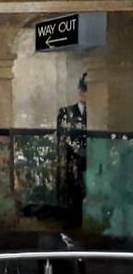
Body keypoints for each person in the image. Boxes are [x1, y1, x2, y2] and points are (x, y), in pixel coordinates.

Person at [56, 73, 88, 228]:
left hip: (91, 162)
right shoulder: (66, 112)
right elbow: (63, 137)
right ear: (79, 91)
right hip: (72, 163)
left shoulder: (95, 114)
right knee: (73, 196)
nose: (85, 94)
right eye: (84, 90)